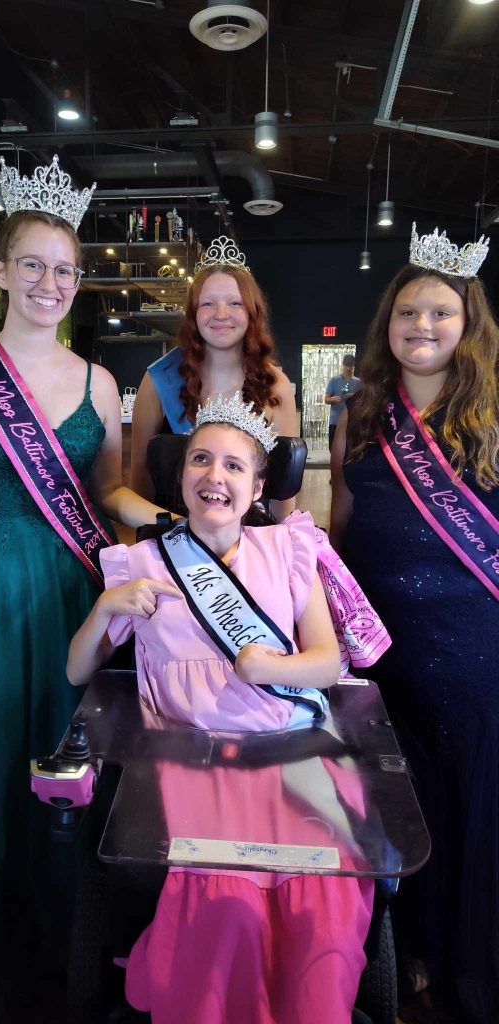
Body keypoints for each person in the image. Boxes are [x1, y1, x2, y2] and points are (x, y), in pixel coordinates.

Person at [0, 155, 168, 1017]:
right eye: (33, 263)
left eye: (65, 269)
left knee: (70, 761)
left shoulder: (99, 383)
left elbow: (107, 493)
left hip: (73, 596)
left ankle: (69, 929)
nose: (50, 282)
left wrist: (171, 530)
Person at [69, 394, 393, 1024]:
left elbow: (328, 662)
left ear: (259, 484)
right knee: (224, 901)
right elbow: (77, 669)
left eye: (234, 466)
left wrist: (269, 666)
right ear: (179, 475)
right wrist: (106, 609)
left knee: (321, 894)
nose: (215, 476)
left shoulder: (289, 549)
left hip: (292, 751)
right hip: (188, 759)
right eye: (200, 460)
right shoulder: (138, 564)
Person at [330, 223, 499, 1024]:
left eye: (440, 314)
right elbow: (336, 526)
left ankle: (472, 971)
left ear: (468, 325)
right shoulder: (360, 410)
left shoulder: (494, 413)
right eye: (407, 314)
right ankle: (413, 959)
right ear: (386, 324)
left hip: (476, 658)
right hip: (384, 655)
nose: (421, 328)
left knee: (475, 817)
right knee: (403, 813)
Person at [129, 235, 298, 521]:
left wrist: (282, 549)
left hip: (251, 542)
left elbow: (284, 494)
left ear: (252, 312)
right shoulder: (159, 381)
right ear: (193, 314)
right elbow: (141, 481)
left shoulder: (275, 384)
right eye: (208, 304)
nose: (221, 314)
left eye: (234, 303)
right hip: (176, 538)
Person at [324, 353, 360, 451]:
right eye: (347, 366)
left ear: (354, 367)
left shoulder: (358, 382)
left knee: (350, 447)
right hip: (335, 420)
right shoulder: (334, 380)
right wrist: (333, 399)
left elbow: (363, 401)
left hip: (351, 420)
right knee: (333, 448)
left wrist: (354, 397)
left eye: (351, 366)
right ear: (343, 365)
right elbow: (326, 399)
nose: (348, 369)